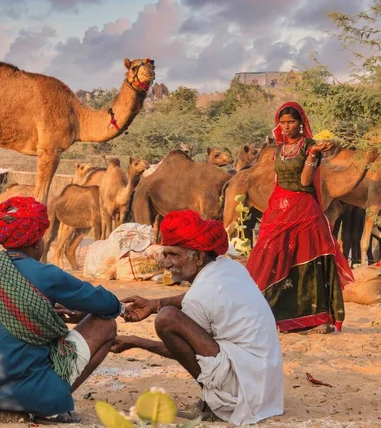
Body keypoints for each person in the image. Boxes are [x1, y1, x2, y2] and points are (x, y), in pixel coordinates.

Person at [0, 196, 124, 424]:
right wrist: (113, 307)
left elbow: (3, 306)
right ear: (38, 243)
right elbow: (106, 304)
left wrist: (44, 308)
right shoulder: (48, 275)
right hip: (26, 394)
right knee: (106, 324)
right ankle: (51, 404)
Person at [111, 210, 284, 426]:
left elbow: (187, 350)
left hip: (243, 393)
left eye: (174, 255)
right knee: (166, 312)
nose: (166, 263)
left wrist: (135, 342)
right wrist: (155, 304)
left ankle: (217, 403)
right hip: (266, 386)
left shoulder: (200, 295)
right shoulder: (229, 267)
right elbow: (201, 296)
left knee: (166, 319)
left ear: (199, 256)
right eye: (165, 254)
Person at [246, 102, 354, 334]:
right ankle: (267, 314)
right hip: (279, 209)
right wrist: (273, 209)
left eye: (291, 122)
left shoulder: (309, 146)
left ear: (300, 123)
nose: (286, 127)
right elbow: (278, 180)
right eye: (282, 123)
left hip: (303, 210)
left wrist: (313, 154)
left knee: (308, 259)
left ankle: (317, 319)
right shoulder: (277, 150)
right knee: (270, 256)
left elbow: (305, 181)